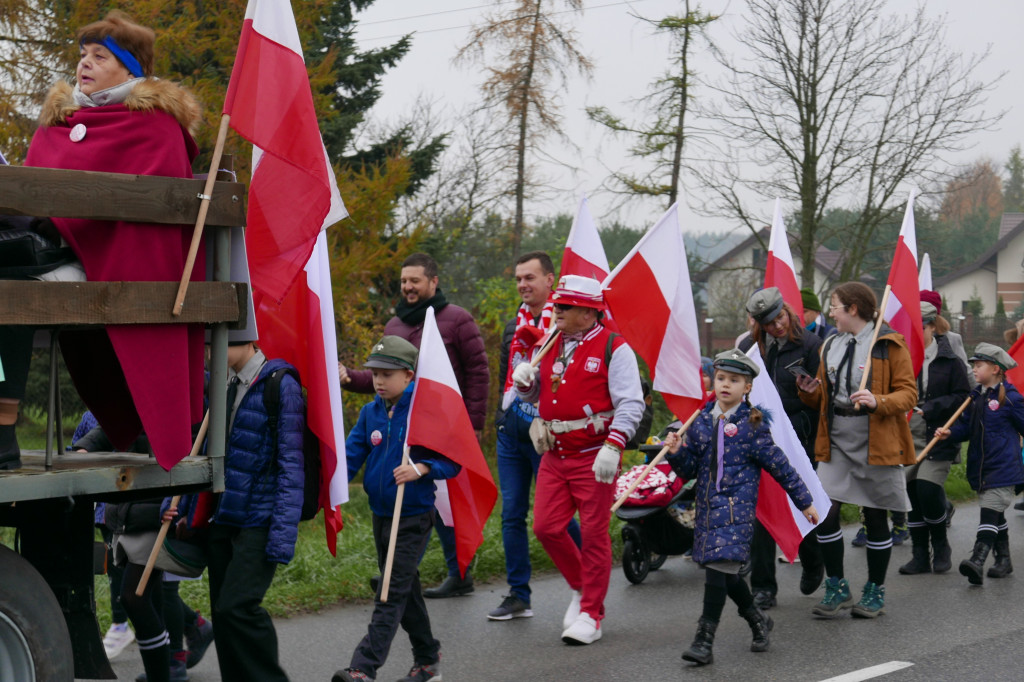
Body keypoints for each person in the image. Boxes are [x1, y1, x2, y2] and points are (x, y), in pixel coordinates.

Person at [2, 11, 206, 470]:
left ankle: (2, 431)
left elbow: (153, 218)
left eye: (100, 56)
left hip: (108, 264)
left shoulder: (153, 126)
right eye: (82, 55)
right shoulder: (60, 122)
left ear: (131, 69)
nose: (85, 64)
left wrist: (66, 225)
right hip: (45, 251)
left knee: (8, 296)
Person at [339, 252, 488, 599]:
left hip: (446, 429)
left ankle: (459, 572)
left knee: (446, 501)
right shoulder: (394, 326)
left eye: (415, 281)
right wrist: (350, 378)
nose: (407, 286)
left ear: (433, 282)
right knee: (419, 501)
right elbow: (385, 377)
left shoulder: (457, 320)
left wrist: (474, 426)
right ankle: (400, 573)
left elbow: (479, 374)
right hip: (404, 427)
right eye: (404, 280)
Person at [511, 275, 645, 645]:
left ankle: (591, 613)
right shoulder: (552, 341)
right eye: (557, 305)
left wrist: (614, 445)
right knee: (546, 527)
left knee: (593, 533)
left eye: (564, 306)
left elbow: (631, 403)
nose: (556, 311)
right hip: (555, 451)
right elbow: (537, 395)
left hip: (594, 454)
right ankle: (582, 587)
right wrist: (525, 384)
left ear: (588, 312)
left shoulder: (614, 348)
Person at [663, 349, 818, 665]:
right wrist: (676, 453)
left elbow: (781, 467)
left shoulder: (752, 426)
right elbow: (691, 469)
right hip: (707, 512)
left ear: (747, 387)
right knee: (727, 575)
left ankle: (703, 641)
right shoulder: (701, 422)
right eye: (721, 378)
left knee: (717, 574)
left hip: (736, 513)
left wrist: (805, 502)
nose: (725, 385)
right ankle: (758, 620)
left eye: (734, 380)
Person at [333, 336, 460, 682]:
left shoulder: (426, 410)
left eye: (387, 374)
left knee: (389, 590)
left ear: (408, 375)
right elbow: (349, 456)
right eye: (375, 373)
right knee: (406, 588)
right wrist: (324, 482)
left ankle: (362, 668)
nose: (378, 381)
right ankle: (428, 660)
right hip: (381, 514)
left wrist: (421, 468)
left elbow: (453, 459)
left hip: (414, 515)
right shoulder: (370, 411)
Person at [796, 282, 917, 619]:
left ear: (852, 308)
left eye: (834, 305)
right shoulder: (830, 343)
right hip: (836, 438)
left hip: (876, 438)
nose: (830, 311)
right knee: (824, 511)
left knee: (876, 514)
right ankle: (837, 585)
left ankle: (874, 590)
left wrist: (878, 401)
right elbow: (823, 396)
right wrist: (808, 391)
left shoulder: (889, 344)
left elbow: (909, 393)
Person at [194, 340, 304, 682]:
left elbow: (292, 464)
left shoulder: (280, 384)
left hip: (260, 518)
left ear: (247, 341)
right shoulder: (222, 383)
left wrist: (283, 535)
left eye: (217, 344)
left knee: (237, 607)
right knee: (222, 616)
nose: (211, 353)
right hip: (223, 517)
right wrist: (181, 506)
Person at [489, 251, 581, 621]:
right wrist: (499, 414)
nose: (523, 285)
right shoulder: (515, 323)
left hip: (545, 435)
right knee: (511, 514)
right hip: (511, 434)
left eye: (530, 277)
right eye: (518, 279)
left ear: (550, 280)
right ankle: (518, 594)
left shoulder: (565, 327)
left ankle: (588, 575)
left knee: (556, 518)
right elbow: (505, 373)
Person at [739, 287, 825, 609]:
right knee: (761, 511)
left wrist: (805, 396)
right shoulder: (749, 349)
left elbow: (821, 402)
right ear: (758, 324)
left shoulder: (811, 346)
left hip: (799, 438)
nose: (777, 326)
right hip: (759, 438)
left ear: (787, 311)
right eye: (769, 322)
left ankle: (813, 557)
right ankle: (763, 586)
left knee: (802, 502)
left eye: (780, 318)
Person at [936, 343, 1024, 584]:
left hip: (1004, 468)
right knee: (996, 515)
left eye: (979, 365)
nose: (974, 369)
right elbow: (966, 428)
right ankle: (1004, 560)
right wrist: (950, 433)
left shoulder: (1012, 398)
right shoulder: (975, 399)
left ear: (995, 369)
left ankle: (977, 560)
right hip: (982, 466)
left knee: (988, 514)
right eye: (973, 365)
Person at [898, 299, 970, 576]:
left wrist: (930, 408)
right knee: (912, 493)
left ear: (930, 327)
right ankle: (919, 554)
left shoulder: (948, 358)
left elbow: (963, 396)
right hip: (906, 435)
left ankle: (940, 545)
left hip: (938, 434)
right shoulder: (901, 356)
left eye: (919, 328)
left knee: (928, 488)